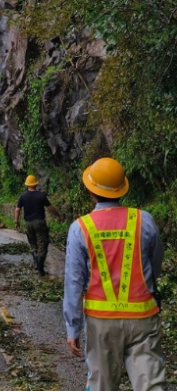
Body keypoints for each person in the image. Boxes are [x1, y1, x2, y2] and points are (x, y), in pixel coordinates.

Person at [63, 157, 165, 390]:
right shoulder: (144, 220)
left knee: (102, 385)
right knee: (151, 385)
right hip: (143, 317)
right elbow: (155, 263)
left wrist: (73, 327)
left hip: (101, 324)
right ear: (122, 189)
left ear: (91, 191)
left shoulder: (81, 227)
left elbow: (73, 282)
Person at [14, 174, 62, 276]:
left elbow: (17, 210)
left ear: (27, 185)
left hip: (28, 223)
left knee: (33, 244)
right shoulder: (41, 196)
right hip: (39, 222)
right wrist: (58, 215)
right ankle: (40, 270)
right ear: (36, 184)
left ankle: (36, 263)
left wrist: (16, 222)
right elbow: (50, 208)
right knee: (43, 244)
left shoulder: (22, 196)